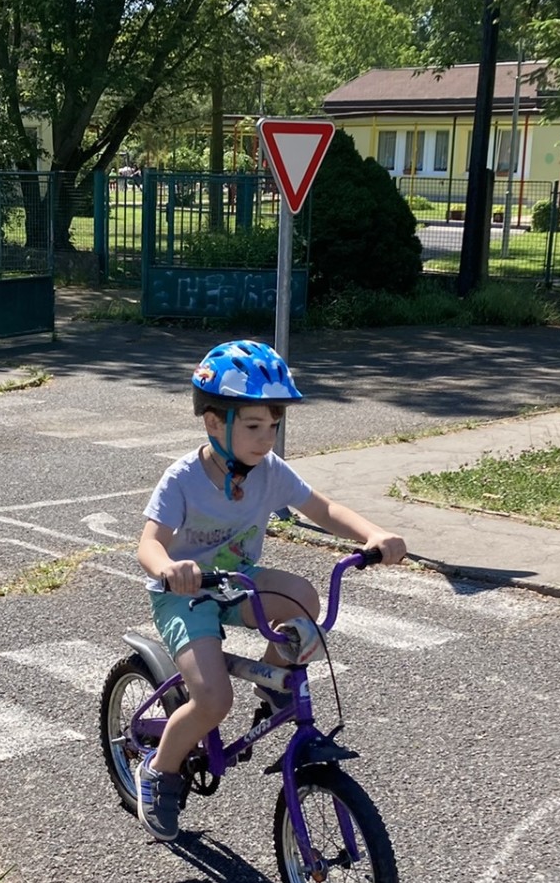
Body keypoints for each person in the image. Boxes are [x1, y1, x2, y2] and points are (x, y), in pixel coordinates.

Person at [133, 340, 407, 841]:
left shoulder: (270, 472)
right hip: (184, 593)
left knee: (304, 598)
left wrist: (374, 534)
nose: (267, 438)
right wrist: (170, 567)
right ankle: (158, 771)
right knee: (213, 700)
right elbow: (149, 544)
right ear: (214, 423)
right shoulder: (183, 479)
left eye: (274, 426)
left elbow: (322, 509)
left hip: (237, 582)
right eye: (254, 426)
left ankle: (272, 683)